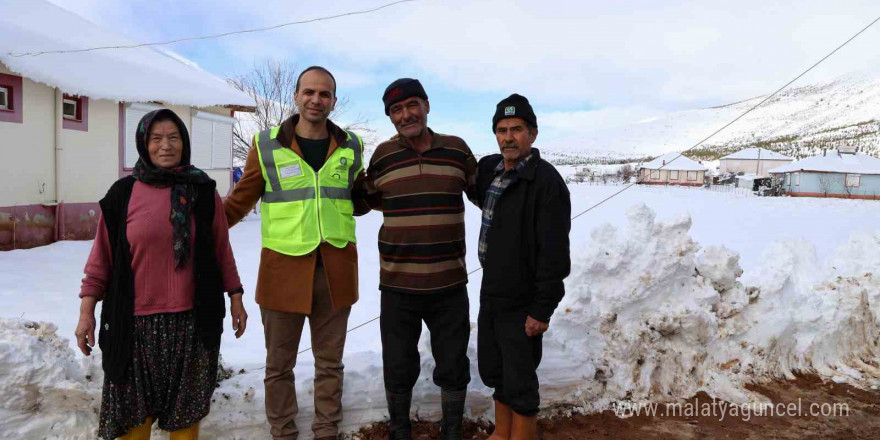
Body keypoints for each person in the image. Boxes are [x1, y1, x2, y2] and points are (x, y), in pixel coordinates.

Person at [75, 108, 248, 440]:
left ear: (184, 142)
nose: (165, 145)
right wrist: (86, 312)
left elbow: (221, 251)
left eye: (173, 137)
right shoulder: (122, 195)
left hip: (193, 324)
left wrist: (236, 297)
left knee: (185, 422)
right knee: (132, 424)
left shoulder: (203, 191)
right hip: (134, 326)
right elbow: (101, 260)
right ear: (143, 144)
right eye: (156, 138)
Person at [224, 66, 368, 440]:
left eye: (324, 94)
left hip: (336, 270)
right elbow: (239, 203)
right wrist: (199, 230)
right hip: (282, 271)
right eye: (309, 92)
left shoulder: (352, 146)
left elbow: (363, 196)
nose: (316, 100)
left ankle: (326, 431)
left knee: (330, 363)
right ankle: (283, 432)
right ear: (296, 96)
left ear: (333, 101)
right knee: (279, 365)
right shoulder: (266, 145)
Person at [362, 78, 477, 440]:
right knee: (398, 364)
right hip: (398, 286)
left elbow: (485, 194)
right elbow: (362, 201)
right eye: (396, 109)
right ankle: (399, 430)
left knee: (454, 362)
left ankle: (452, 429)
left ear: (427, 105)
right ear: (390, 117)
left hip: (449, 284)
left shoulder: (457, 150)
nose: (406, 114)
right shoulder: (382, 156)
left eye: (412, 104)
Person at [475, 94, 571, 440]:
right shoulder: (493, 172)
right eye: (501, 130)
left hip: (523, 301)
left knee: (521, 378)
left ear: (532, 134)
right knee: (496, 370)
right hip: (493, 294)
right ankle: (502, 434)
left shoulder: (545, 183)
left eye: (517, 129)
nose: (508, 137)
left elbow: (555, 255)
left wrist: (541, 309)